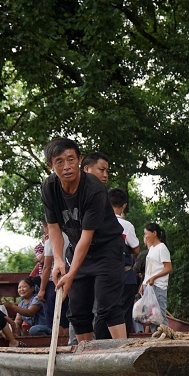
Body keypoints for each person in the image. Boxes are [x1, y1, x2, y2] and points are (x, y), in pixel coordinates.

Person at [40, 137, 127, 342]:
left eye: (71, 159)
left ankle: (122, 350)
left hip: (106, 248)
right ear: (50, 166)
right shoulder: (49, 188)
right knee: (77, 308)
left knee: (107, 305)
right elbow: (53, 228)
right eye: (59, 161)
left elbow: (87, 236)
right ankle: (84, 356)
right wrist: (59, 261)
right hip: (77, 248)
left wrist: (71, 273)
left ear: (79, 159)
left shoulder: (93, 187)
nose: (67, 166)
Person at [94, 188, 140, 337]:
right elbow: (136, 248)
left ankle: (98, 343)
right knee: (123, 312)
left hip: (100, 273)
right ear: (124, 205)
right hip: (124, 274)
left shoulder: (96, 221)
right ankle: (122, 344)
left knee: (102, 310)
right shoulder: (125, 225)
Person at [140, 222, 172, 327]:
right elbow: (149, 269)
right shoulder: (152, 249)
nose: (145, 237)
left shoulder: (162, 248)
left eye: (146, 234)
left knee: (160, 317)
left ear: (154, 233)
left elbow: (168, 268)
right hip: (148, 286)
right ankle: (156, 339)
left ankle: (166, 340)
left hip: (158, 286)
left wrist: (154, 277)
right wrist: (143, 284)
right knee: (151, 318)